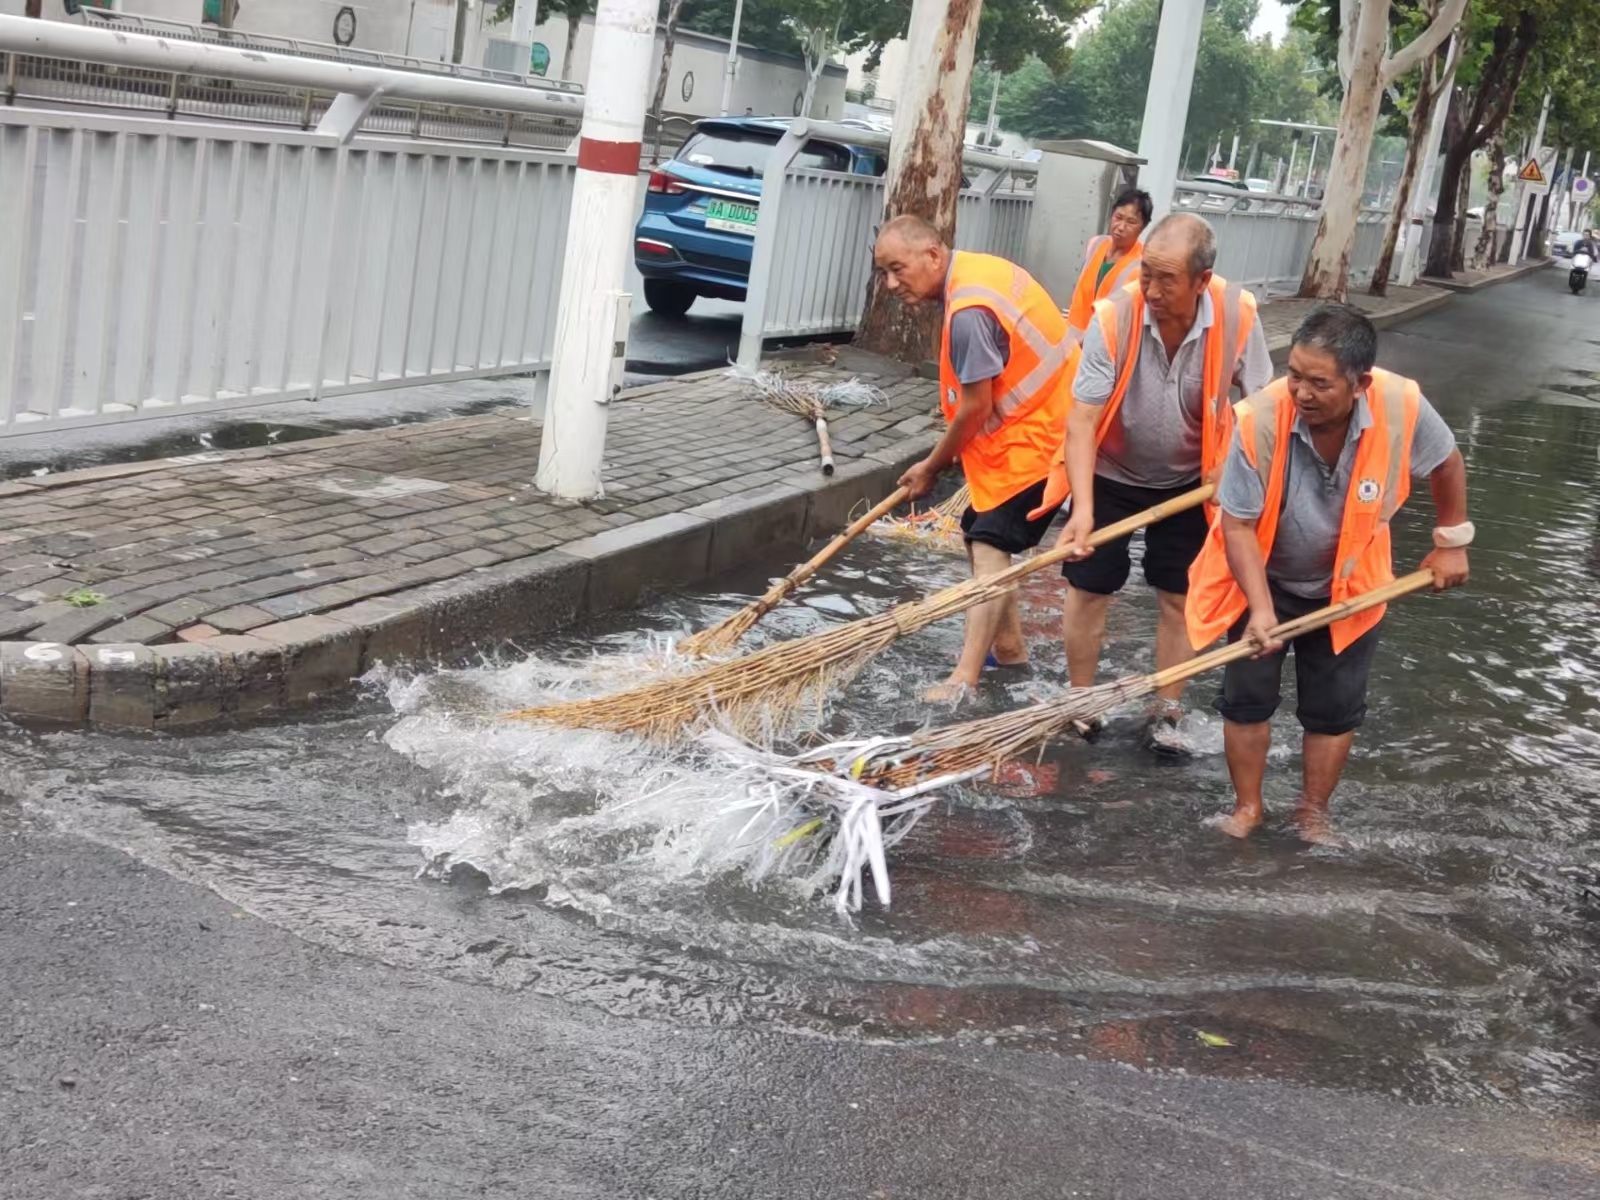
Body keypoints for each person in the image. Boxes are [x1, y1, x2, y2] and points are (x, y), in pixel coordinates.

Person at [1186, 304, 1471, 843]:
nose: (1301, 393)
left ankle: (1313, 811)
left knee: (1334, 710)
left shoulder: (1399, 403)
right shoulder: (1259, 419)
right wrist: (1262, 610)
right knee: (1246, 699)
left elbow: (1447, 462)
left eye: (1319, 383)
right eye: (1294, 375)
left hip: (1353, 582)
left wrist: (1451, 542)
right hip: (1262, 577)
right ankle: (1248, 808)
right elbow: (1239, 526)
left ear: (1360, 383)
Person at [1048, 212, 1273, 743]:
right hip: (1110, 470)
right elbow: (1081, 420)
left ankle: (1165, 707)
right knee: (1089, 585)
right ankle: (1082, 700)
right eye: (1146, 273)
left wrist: (1236, 469)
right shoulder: (1115, 317)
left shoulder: (1238, 315)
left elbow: (1263, 410)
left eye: (1167, 279)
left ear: (1202, 281)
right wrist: (1081, 510)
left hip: (1195, 481)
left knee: (1178, 593)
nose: (1150, 288)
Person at [873, 214, 1073, 699]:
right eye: (884, 272)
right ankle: (1009, 650)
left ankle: (964, 678)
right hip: (1038, 425)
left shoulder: (969, 311)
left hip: (1041, 438)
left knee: (988, 548)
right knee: (976, 534)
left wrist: (930, 466)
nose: (891, 284)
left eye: (898, 269)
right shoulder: (977, 274)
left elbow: (975, 406)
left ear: (933, 255)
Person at [1064, 187, 1152, 347]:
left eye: (1131, 222)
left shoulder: (1142, 265)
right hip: (1072, 336)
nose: (1121, 227)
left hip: (1103, 345)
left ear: (1143, 227)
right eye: (1118, 217)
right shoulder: (1096, 244)